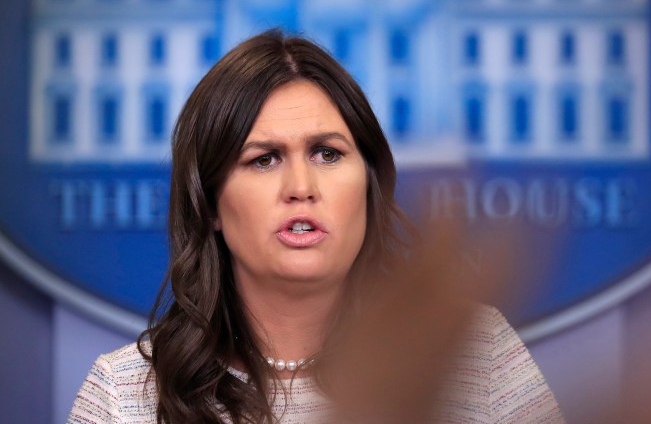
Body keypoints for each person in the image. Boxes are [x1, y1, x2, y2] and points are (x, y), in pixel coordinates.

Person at [68, 30, 564, 423]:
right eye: (263, 160)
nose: (301, 186)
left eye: (328, 154)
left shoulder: (474, 352)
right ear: (211, 203)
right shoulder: (125, 394)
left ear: (369, 187)